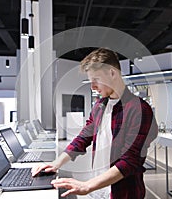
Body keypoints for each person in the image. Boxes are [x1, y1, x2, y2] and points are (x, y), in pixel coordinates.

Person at [31, 48, 158, 198]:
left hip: (122, 193)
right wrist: (56, 163)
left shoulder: (139, 109)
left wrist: (87, 185)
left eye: (96, 80)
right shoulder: (100, 105)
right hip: (98, 190)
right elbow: (83, 138)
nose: (92, 86)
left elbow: (129, 161)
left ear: (112, 73)